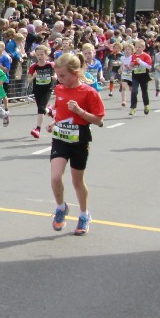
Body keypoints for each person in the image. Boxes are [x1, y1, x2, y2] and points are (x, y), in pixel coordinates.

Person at [48, 53, 105, 237]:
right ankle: (61, 208)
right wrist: (54, 122)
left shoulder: (89, 92)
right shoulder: (59, 89)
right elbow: (60, 110)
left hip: (79, 139)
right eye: (58, 75)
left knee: (77, 181)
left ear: (75, 73)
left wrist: (80, 111)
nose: (59, 79)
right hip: (60, 138)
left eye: (63, 75)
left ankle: (84, 214)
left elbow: (98, 120)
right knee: (56, 177)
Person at [27, 44, 54, 139]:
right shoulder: (33, 67)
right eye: (38, 55)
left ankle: (37, 129)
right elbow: (28, 80)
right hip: (37, 90)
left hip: (47, 89)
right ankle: (50, 111)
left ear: (46, 55)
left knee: (41, 109)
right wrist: (33, 76)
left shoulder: (50, 65)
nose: (40, 57)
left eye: (42, 54)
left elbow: (56, 73)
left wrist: (55, 77)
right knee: (41, 108)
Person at [128, 38, 153, 115]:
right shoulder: (133, 56)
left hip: (144, 75)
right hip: (135, 75)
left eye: (139, 47)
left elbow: (149, 66)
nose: (137, 48)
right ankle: (133, 108)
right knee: (134, 91)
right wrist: (131, 65)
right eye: (136, 47)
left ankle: (146, 105)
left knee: (144, 91)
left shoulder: (146, 56)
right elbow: (131, 65)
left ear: (143, 48)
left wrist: (140, 62)